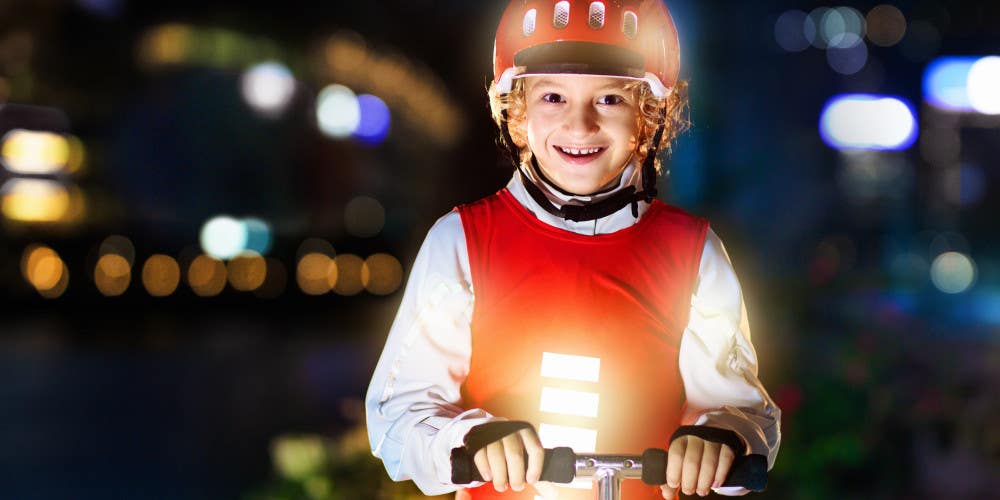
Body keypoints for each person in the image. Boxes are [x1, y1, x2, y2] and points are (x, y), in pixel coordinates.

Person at [366, 1, 780, 498]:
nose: (580, 125)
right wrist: (469, 438)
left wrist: (720, 439)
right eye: (553, 97)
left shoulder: (692, 253)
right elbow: (397, 419)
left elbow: (746, 414)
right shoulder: (462, 240)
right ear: (515, 114)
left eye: (610, 99)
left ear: (649, 118)